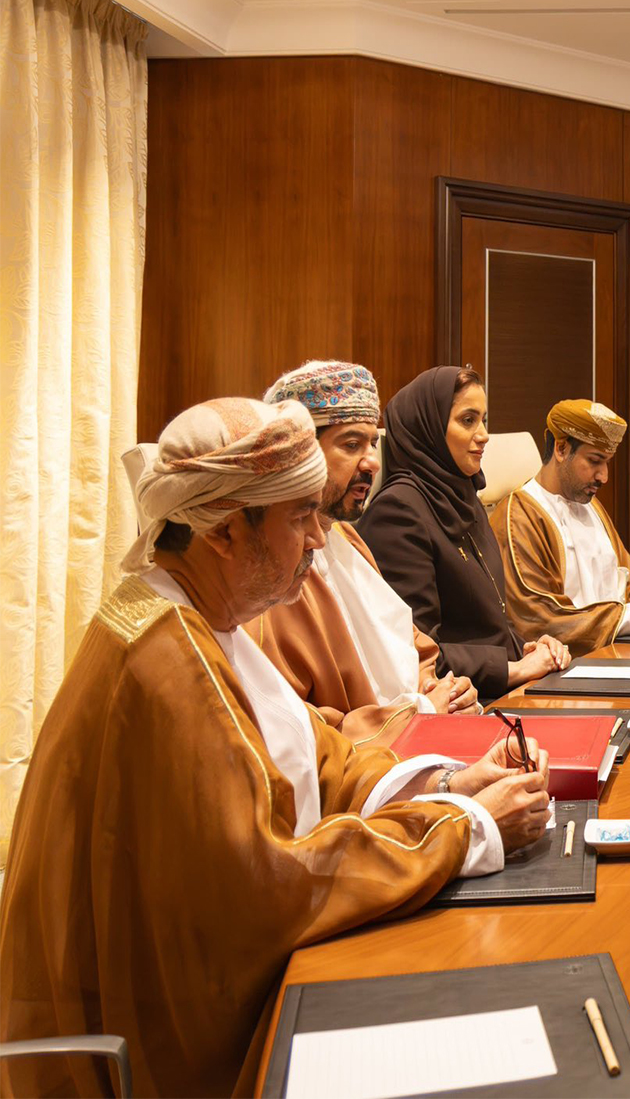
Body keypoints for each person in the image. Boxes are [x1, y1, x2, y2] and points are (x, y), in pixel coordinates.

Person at [0, 398, 554, 1097]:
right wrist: (462, 828)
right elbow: (266, 887)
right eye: (300, 517)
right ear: (227, 531)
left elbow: (318, 753)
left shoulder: (204, 617)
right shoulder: (168, 659)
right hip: (174, 1045)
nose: (320, 540)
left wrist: (451, 782)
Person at [246, 360, 479, 745]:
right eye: (352, 444)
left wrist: (447, 695)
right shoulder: (269, 573)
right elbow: (297, 731)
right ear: (300, 455)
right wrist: (419, 712)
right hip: (367, 775)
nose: (372, 461)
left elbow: (411, 646)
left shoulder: (348, 540)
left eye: (373, 443)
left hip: (423, 740)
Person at [358, 367, 570, 700]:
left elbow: (484, 622)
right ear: (427, 427)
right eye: (468, 420)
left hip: (502, 691)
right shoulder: (398, 512)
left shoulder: (463, 496)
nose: (484, 434)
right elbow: (414, 653)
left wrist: (529, 648)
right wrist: (515, 668)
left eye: (484, 419)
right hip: (463, 706)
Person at [493, 399, 630, 655]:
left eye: (607, 463)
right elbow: (540, 619)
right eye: (595, 461)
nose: (603, 476)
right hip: (559, 674)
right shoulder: (519, 516)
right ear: (561, 449)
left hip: (615, 658)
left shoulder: (591, 506)